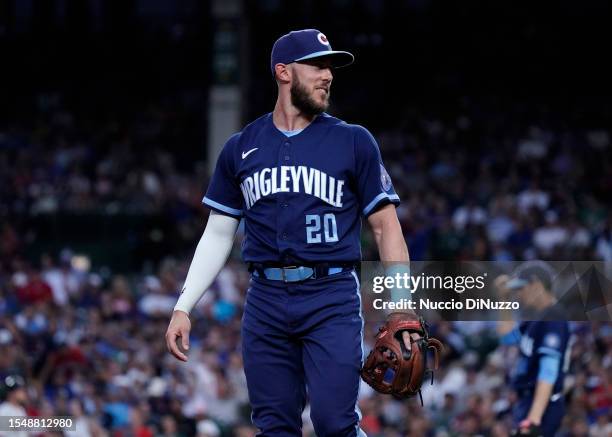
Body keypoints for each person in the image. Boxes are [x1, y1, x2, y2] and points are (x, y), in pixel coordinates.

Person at [165, 29, 419, 436]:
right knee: (274, 427)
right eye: (317, 65)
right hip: (265, 301)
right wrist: (184, 306)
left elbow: (385, 225)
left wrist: (401, 307)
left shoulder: (353, 141)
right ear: (283, 72)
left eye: (331, 68)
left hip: (331, 297)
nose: (328, 75)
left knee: (335, 424)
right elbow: (217, 234)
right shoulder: (241, 146)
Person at [496, 261, 572, 437]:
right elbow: (507, 337)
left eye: (521, 288)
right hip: (528, 401)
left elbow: (549, 370)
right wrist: (503, 300)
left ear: (536, 284)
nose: (519, 294)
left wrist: (534, 418)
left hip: (543, 407)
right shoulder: (537, 318)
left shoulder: (554, 316)